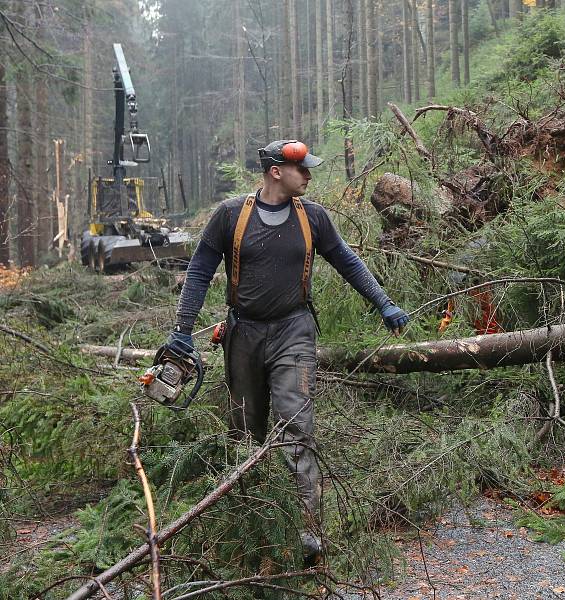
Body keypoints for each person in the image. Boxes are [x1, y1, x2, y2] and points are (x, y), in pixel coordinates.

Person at [161, 140, 409, 562]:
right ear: (276, 171)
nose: (309, 176)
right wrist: (183, 330)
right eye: (302, 169)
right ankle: (254, 525)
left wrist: (381, 300)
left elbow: (347, 261)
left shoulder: (313, 217)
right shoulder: (230, 216)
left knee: (297, 425)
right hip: (243, 334)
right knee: (244, 432)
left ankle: (309, 534)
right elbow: (200, 269)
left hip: (294, 331)